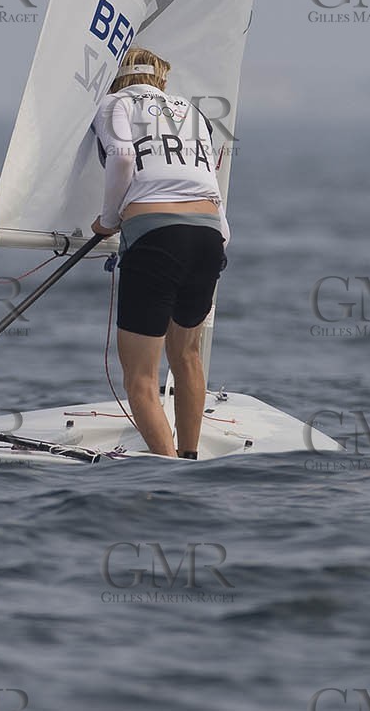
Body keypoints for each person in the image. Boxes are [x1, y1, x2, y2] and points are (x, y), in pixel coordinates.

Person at [90, 46, 228, 459]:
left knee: (140, 377)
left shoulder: (114, 103)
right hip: (208, 236)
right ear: (161, 79)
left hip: (155, 236)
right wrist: (220, 238)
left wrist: (108, 220)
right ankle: (189, 457)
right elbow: (211, 177)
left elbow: (122, 156)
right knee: (186, 356)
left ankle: (167, 470)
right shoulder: (190, 109)